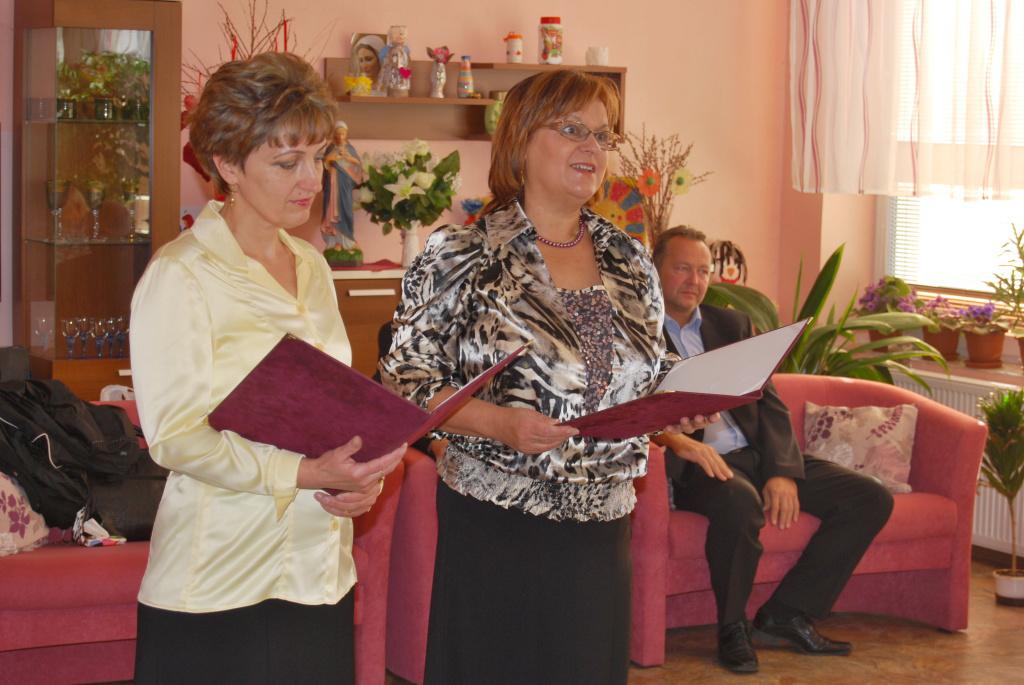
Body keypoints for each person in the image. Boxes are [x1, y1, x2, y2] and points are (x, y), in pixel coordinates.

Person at [379, 69, 716, 685]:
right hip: (497, 520)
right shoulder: (460, 253)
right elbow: (404, 382)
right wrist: (498, 423)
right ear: (522, 139)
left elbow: (646, 366)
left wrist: (681, 397)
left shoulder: (630, 259)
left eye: (603, 136)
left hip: (603, 520)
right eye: (572, 129)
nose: (593, 147)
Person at [129, 52, 404, 684]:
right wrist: (303, 472)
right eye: (287, 163)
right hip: (217, 580)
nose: (311, 180)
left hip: (317, 573)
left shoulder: (311, 266)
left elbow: (331, 409)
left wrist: (357, 478)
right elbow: (175, 437)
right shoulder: (180, 275)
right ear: (227, 165)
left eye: (319, 158)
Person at [651, 226, 895, 674]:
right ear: (655, 269)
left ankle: (787, 612)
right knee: (741, 502)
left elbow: (771, 402)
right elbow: (635, 410)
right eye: (682, 268)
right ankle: (732, 628)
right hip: (698, 463)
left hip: (758, 454)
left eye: (703, 271)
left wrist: (782, 470)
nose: (694, 280)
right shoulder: (636, 332)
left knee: (869, 497)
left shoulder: (732, 325)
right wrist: (677, 442)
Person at [321, 120, 363, 250]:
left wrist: (348, 158)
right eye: (338, 134)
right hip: (332, 185)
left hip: (345, 185)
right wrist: (331, 159)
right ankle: (335, 241)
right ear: (334, 134)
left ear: (346, 134)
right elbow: (324, 165)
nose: (340, 136)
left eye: (342, 134)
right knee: (332, 211)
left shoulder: (350, 149)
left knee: (345, 210)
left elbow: (358, 166)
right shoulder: (330, 148)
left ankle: (347, 241)